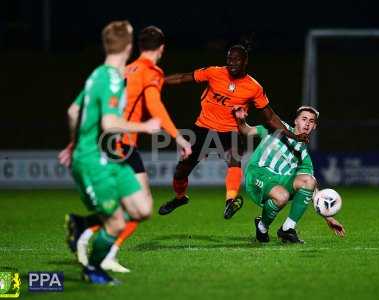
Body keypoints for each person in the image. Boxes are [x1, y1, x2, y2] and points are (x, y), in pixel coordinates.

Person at [60, 25, 192, 273]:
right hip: (121, 144)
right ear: (161, 49)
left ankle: (87, 231)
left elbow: (88, 109)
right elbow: (155, 106)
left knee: (138, 205)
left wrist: (73, 142)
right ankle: (102, 249)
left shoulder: (123, 70)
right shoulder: (150, 71)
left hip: (109, 142)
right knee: (140, 207)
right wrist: (179, 138)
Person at [158, 44, 309, 219]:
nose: (232, 63)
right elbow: (184, 77)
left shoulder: (253, 87)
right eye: (229, 59)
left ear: (245, 61)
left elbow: (270, 117)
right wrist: (159, 81)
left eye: (236, 60)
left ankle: (231, 200)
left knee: (234, 158)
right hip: (203, 128)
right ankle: (179, 198)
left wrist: (293, 135)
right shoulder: (214, 72)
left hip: (230, 131)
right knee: (181, 171)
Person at [65, 20, 161, 284]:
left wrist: (73, 142)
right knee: (117, 223)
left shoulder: (97, 74)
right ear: (129, 47)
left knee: (142, 208)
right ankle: (93, 269)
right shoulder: (111, 80)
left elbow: (73, 112)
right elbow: (109, 123)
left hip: (107, 157)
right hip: (93, 161)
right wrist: (146, 126)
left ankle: (82, 224)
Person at [233, 105, 345, 243]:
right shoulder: (276, 128)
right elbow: (246, 130)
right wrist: (241, 120)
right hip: (258, 174)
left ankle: (287, 229)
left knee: (309, 181)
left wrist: (329, 217)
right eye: (304, 119)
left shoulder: (304, 157)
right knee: (282, 196)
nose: (307, 123)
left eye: (311, 121)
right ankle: (263, 226)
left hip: (278, 182)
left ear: (314, 126)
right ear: (295, 121)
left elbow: (313, 191)